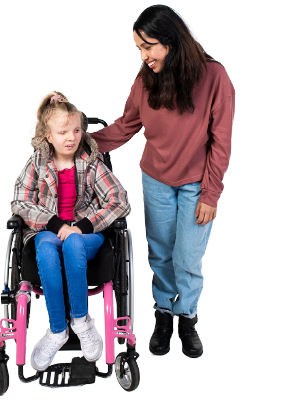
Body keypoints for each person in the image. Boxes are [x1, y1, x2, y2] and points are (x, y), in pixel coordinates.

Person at [90, 4, 235, 359]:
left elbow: (221, 141)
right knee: (161, 254)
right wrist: (83, 142)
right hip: (155, 179)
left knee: (187, 256)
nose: (143, 55)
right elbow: (126, 126)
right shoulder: (145, 80)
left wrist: (211, 194)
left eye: (148, 46)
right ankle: (163, 315)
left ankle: (187, 316)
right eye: (139, 48)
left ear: (170, 41)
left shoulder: (215, 78)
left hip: (196, 185)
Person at [11, 91, 131, 371]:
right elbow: (20, 200)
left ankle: (81, 321)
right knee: (44, 245)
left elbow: (119, 199)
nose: (71, 137)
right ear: (48, 136)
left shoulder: (90, 162)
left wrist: (83, 226)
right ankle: (56, 330)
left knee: (73, 243)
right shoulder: (38, 164)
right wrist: (55, 224)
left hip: (86, 235)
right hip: (48, 231)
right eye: (63, 131)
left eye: (77, 130)